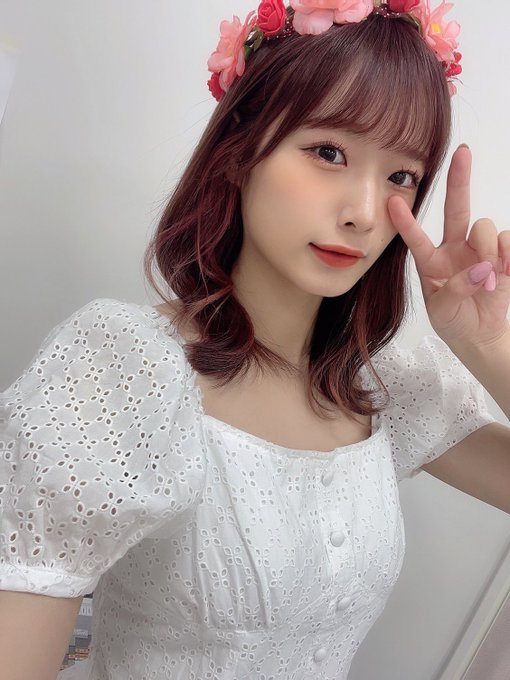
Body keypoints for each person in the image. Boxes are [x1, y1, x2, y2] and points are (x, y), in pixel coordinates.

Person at [1, 1, 509, 679]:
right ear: (240, 150)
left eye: (400, 176)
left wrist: (488, 345)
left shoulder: (380, 379)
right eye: (328, 152)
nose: (364, 213)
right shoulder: (124, 368)